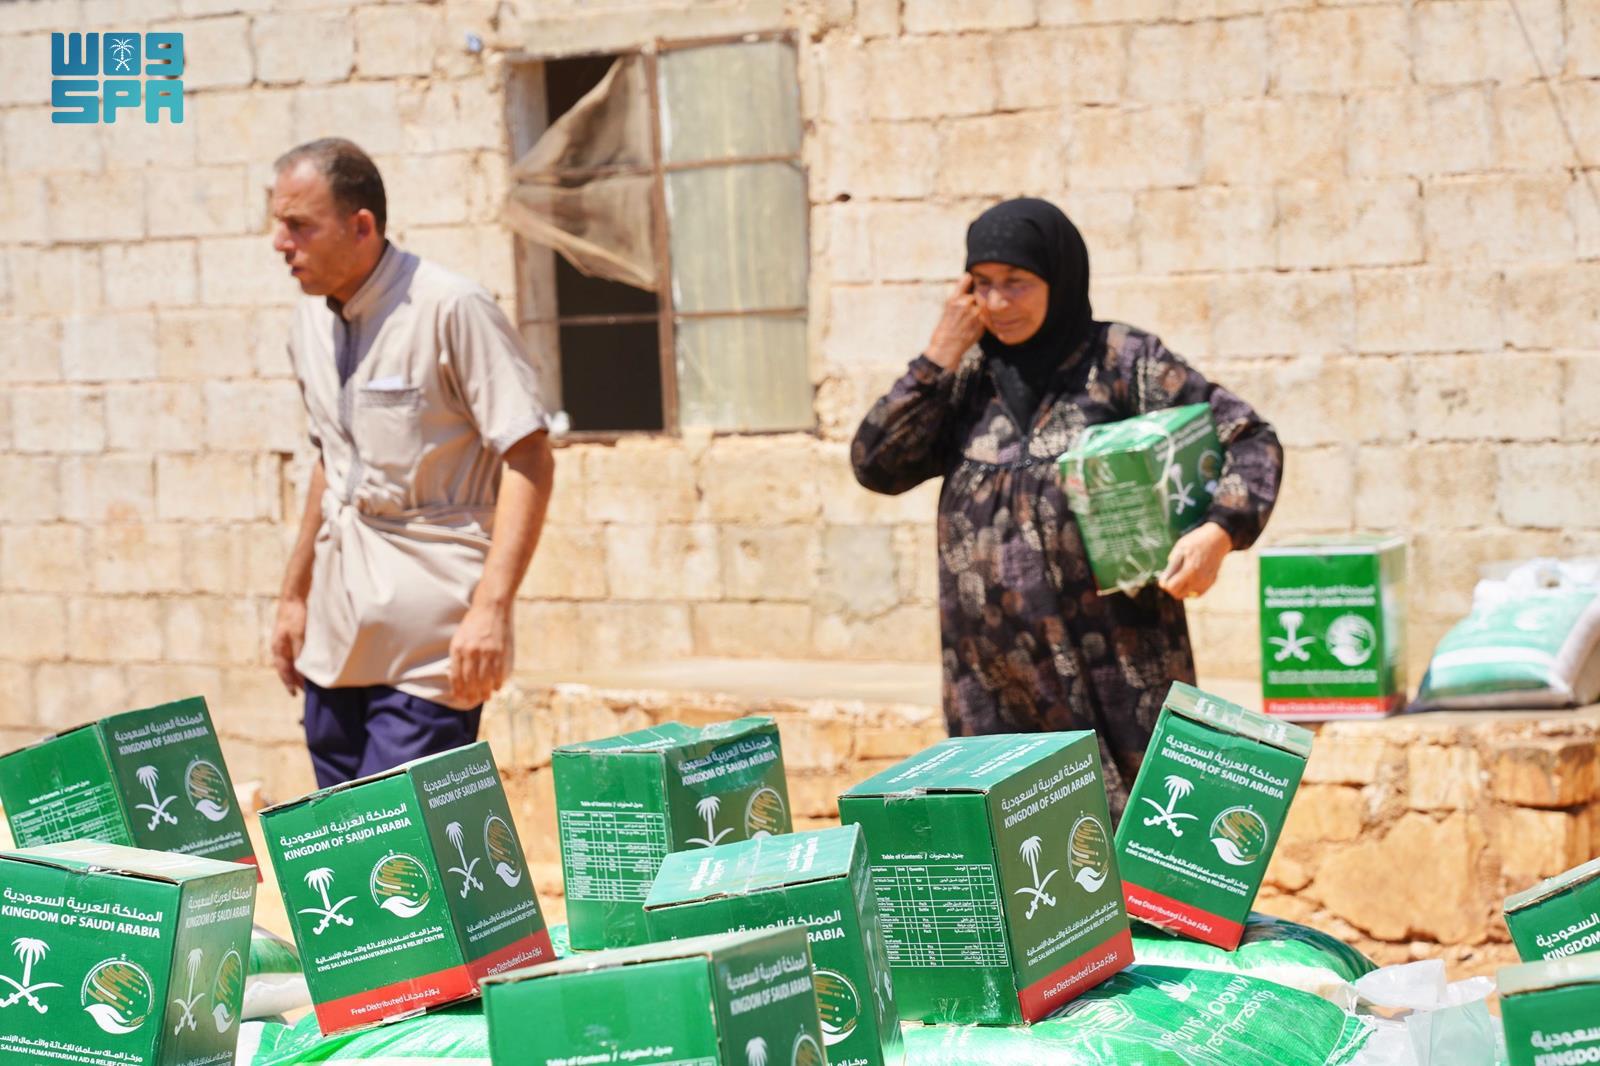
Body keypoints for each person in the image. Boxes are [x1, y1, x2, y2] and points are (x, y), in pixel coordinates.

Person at [851, 198, 1282, 819]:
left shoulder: (1121, 362)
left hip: (1116, 683)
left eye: (1017, 284)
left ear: (1060, 277)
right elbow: (875, 465)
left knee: (1145, 858)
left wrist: (1219, 531)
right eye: (982, 285)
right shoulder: (966, 381)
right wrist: (934, 359)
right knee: (1027, 879)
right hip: (992, 698)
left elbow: (1247, 436)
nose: (997, 304)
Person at [267, 138, 555, 788]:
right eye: (279, 225)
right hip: (338, 638)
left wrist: (492, 608)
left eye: (298, 225)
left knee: (397, 841)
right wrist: (293, 596)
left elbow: (530, 455)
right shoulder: (306, 325)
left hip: (431, 636)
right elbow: (328, 459)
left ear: (360, 225)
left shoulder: (450, 308)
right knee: (341, 839)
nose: (281, 244)